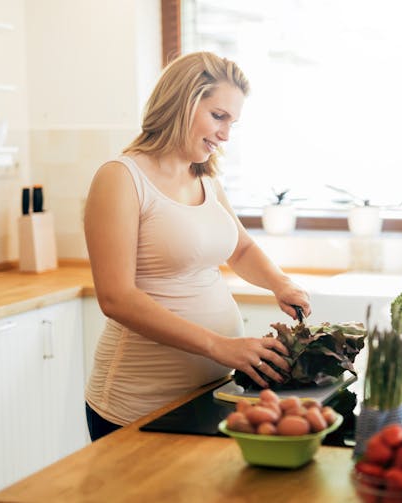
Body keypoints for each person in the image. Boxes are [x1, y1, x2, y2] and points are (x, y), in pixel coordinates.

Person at [83, 51, 311, 441]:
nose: (225, 135)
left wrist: (280, 283)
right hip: (137, 405)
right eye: (218, 116)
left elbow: (240, 250)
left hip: (210, 393)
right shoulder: (121, 178)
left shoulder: (205, 180)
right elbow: (116, 297)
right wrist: (219, 346)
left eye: (231, 123)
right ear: (180, 103)